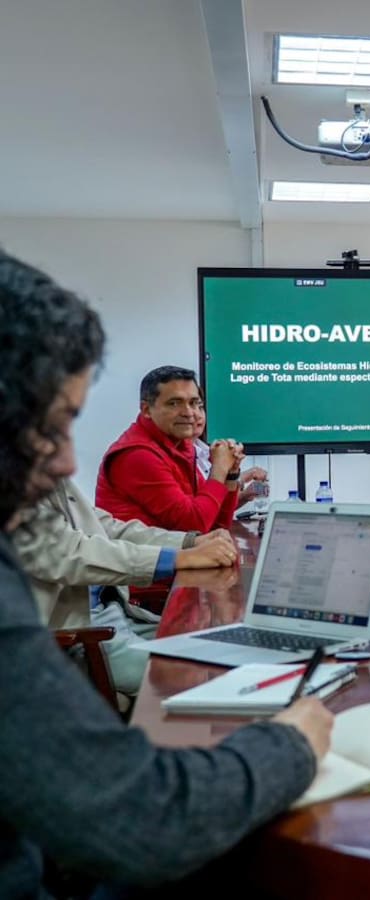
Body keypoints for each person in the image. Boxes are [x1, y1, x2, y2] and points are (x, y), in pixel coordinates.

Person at [0, 250, 331, 895]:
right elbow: (146, 820)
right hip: (99, 625)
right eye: (52, 425)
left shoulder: (162, 455)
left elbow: (107, 528)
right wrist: (288, 745)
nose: (70, 460)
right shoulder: (134, 456)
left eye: (196, 403)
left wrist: (192, 542)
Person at [11, 480, 238, 695]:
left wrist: (189, 543)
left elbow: (105, 527)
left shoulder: (40, 473)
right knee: (199, 674)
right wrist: (177, 558)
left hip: (112, 612)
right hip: (76, 635)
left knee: (217, 646)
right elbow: (67, 553)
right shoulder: (13, 482)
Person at [95, 365, 243, 532]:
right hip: (145, 557)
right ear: (146, 410)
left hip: (178, 554)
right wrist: (219, 469)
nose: (189, 413)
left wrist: (230, 475)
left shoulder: (182, 445)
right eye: (174, 403)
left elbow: (217, 526)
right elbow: (195, 525)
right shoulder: (137, 455)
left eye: (194, 403)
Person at [193, 398, 269, 507]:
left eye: (200, 407)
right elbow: (204, 510)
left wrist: (237, 477)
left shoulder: (205, 451)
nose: (196, 415)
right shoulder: (176, 459)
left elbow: (219, 509)